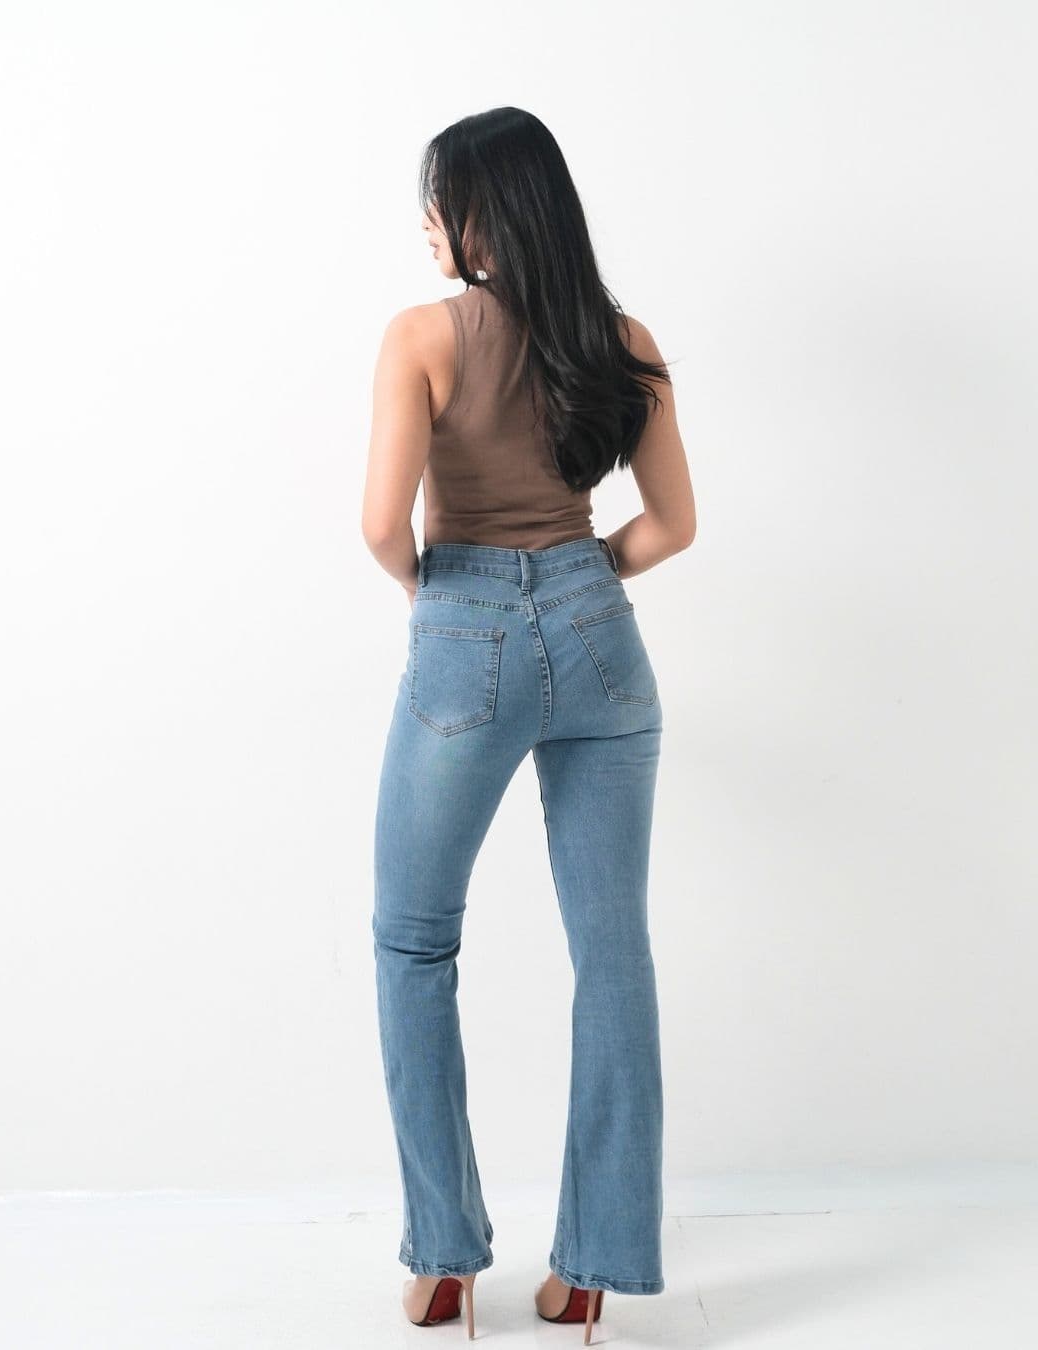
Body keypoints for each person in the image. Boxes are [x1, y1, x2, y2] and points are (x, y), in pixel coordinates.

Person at [362, 106, 696, 1342]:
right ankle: (590, 1270)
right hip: (601, 633)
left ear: (483, 215)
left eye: (440, 201)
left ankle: (446, 1260)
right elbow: (672, 525)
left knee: (413, 941)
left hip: (466, 639)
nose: (429, 223)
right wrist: (578, 575)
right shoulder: (623, 340)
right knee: (613, 954)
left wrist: (437, 593)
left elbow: (380, 525)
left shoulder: (421, 336)